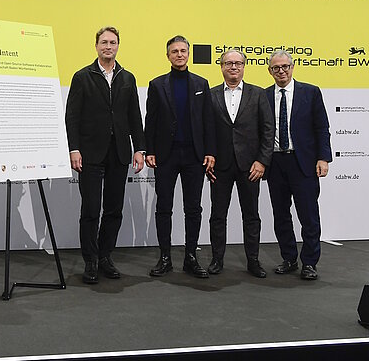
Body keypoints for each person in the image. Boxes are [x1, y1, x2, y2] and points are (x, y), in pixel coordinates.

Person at [65, 26, 145, 284]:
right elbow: (72, 117)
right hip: (90, 153)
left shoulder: (128, 77)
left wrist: (140, 149)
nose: (108, 46)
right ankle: (90, 259)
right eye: (103, 42)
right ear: (96, 46)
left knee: (114, 209)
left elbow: (135, 115)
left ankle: (105, 257)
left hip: (119, 153)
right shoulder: (82, 76)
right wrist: (74, 149)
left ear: (118, 46)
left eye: (112, 42)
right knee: (90, 209)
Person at [144, 35, 216, 278]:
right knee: (164, 207)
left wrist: (209, 151)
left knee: (193, 208)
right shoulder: (156, 85)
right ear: (168, 56)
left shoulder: (201, 83)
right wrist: (150, 150)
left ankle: (190, 258)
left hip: (194, 156)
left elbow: (208, 121)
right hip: (165, 155)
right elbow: (150, 120)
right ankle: (165, 258)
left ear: (189, 54)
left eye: (183, 50)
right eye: (174, 51)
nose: (179, 54)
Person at [265, 50, 331, 280]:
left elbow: (322, 128)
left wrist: (323, 158)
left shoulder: (310, 93)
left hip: (303, 162)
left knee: (309, 215)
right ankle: (289, 258)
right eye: (276, 68)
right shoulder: (263, 96)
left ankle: (310, 262)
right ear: (270, 71)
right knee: (281, 215)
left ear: (292, 67)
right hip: (275, 163)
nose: (281, 71)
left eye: (285, 66)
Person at [207, 49, 274, 278]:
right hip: (220, 166)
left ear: (244, 66)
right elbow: (207, 130)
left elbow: (268, 130)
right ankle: (217, 260)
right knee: (218, 215)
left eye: (237, 63)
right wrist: (209, 156)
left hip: (250, 167)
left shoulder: (258, 94)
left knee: (251, 216)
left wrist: (262, 161)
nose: (233, 67)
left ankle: (253, 261)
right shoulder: (211, 94)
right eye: (228, 63)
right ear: (222, 67)